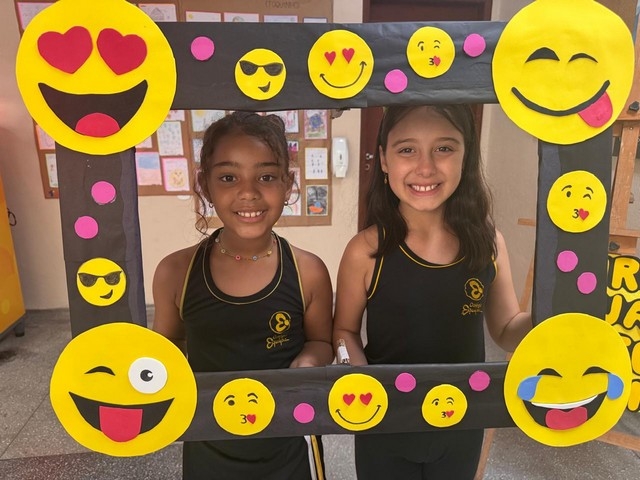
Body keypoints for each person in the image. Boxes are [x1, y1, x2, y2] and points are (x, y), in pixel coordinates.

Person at [332, 104, 532, 479]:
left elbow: (507, 329)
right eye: (407, 149)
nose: (425, 167)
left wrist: (551, 317)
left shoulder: (489, 242)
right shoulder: (365, 250)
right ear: (384, 159)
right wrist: (358, 379)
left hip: (462, 419)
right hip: (385, 424)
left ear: (466, 155)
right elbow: (344, 331)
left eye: (444, 148)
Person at [153, 111, 334, 480]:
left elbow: (321, 342)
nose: (248, 192)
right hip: (209, 450)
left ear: (288, 183)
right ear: (204, 185)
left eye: (266, 177)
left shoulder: (309, 271)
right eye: (228, 177)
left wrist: (309, 361)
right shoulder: (176, 272)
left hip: (287, 449)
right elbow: (167, 348)